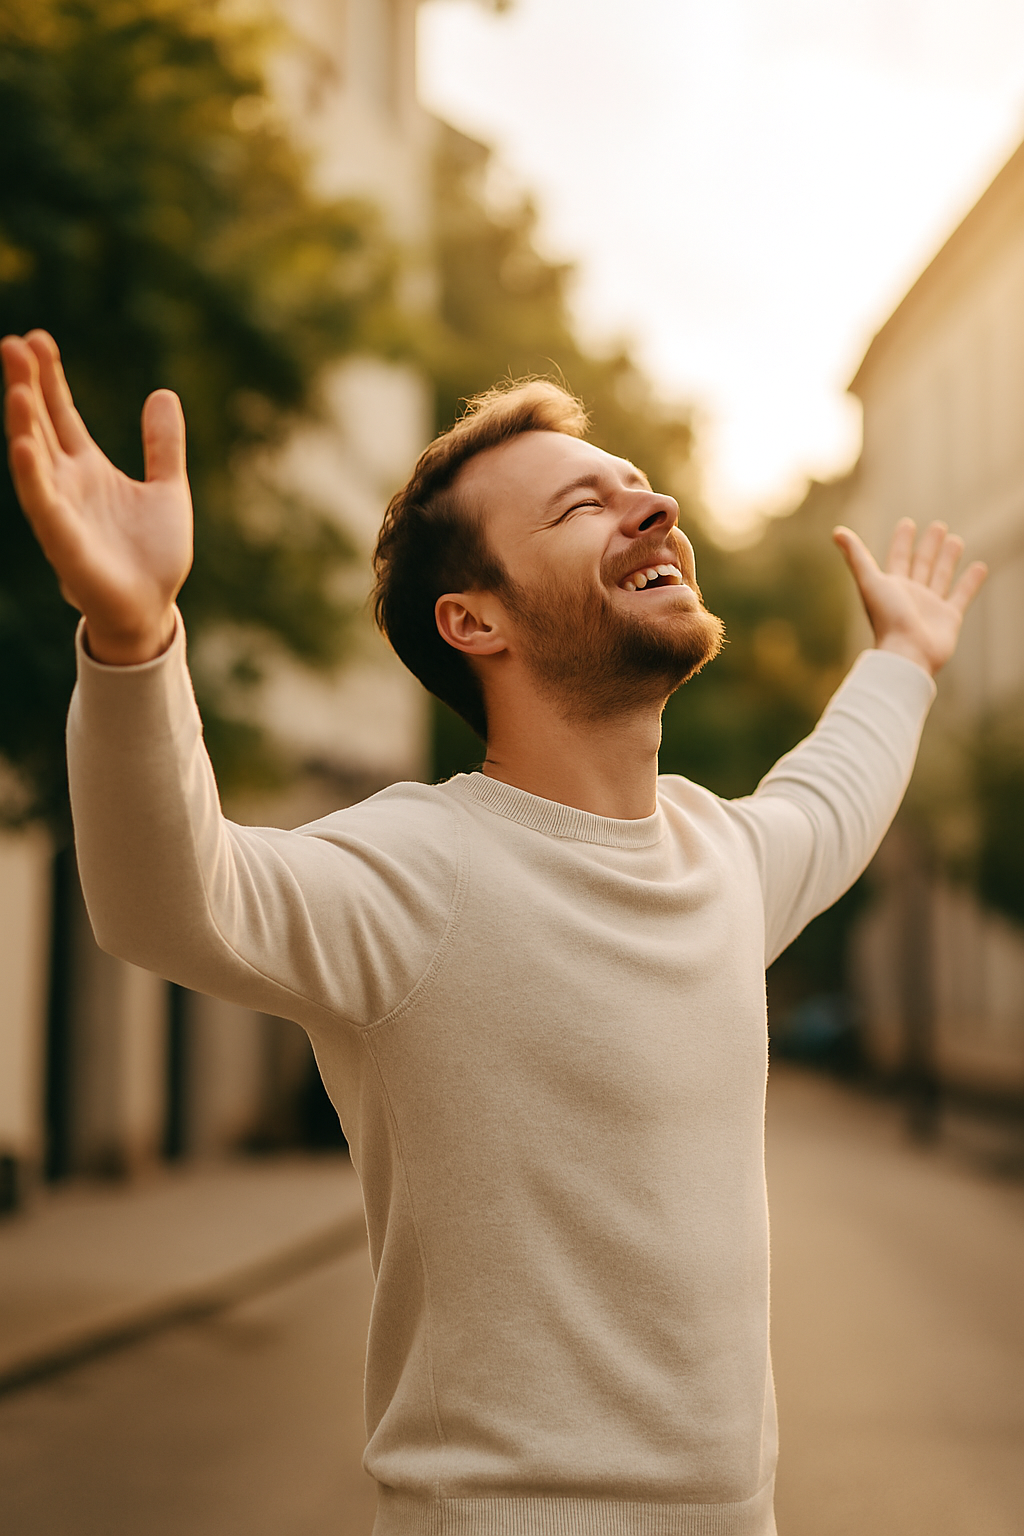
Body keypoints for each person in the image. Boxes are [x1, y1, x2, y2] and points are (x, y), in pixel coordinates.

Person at [1, 329, 986, 1536]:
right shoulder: (420, 869)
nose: (653, 507)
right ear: (474, 622)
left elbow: (828, 797)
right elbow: (166, 901)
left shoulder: (718, 860)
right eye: (585, 504)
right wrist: (133, 643)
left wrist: (903, 661)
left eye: (641, 490)